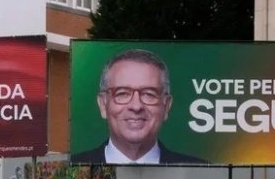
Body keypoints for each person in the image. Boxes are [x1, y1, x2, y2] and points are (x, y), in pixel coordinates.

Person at [70, 49, 206, 165]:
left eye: (149, 94)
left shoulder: (201, 173)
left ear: (166, 106)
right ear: (103, 104)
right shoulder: (71, 172)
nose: (136, 106)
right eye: (122, 93)